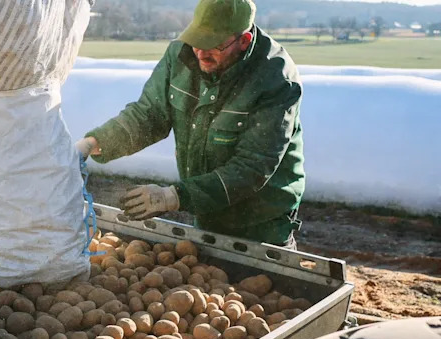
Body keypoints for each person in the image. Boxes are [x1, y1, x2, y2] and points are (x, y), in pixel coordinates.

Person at [76, 0, 305, 248]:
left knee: (256, 283)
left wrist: (173, 196)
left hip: (261, 222)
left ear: (244, 41)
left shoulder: (275, 79)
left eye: (214, 46)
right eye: (198, 41)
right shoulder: (181, 55)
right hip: (206, 210)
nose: (201, 53)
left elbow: (252, 167)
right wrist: (93, 143)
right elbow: (149, 115)